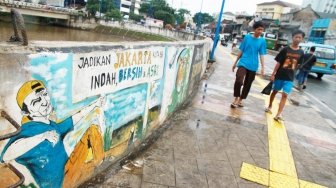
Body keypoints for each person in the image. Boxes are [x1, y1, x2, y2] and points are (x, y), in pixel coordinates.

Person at [0, 80, 103, 188]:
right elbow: (5, 155)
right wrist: (42, 136)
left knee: (92, 131)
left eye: (45, 94)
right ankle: (99, 163)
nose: (44, 102)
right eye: (36, 102)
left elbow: (72, 120)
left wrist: (94, 105)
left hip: (68, 171)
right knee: (93, 132)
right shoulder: (29, 129)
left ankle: (98, 164)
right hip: (60, 183)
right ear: (26, 112)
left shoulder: (51, 125)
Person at [265, 30, 305, 121]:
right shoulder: (285, 49)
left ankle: (278, 114)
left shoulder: (301, 52)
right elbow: (279, 63)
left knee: (285, 95)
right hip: (280, 75)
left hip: (290, 78)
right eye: (296, 37)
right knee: (274, 92)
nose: (298, 39)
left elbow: (299, 65)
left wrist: (295, 73)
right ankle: (270, 105)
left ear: (302, 39)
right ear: (293, 37)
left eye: (300, 37)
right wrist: (273, 74)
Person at [231, 21, 267, 108]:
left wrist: (262, 67)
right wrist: (235, 62)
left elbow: (261, 54)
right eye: (258, 29)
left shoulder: (262, 41)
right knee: (239, 80)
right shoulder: (247, 37)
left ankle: (240, 100)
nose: (260, 31)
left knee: (248, 84)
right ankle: (236, 98)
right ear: (254, 29)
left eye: (262, 30)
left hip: (253, 65)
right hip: (243, 62)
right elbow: (241, 50)